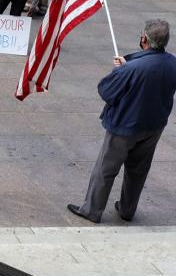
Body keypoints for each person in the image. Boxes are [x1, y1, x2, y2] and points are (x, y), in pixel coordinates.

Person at [67, 19, 176, 224]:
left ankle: (92, 209)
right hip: (154, 126)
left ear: (145, 38)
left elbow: (106, 91)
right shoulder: (172, 63)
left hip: (125, 126)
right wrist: (128, 66)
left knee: (106, 169)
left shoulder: (132, 69)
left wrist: (121, 70)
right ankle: (127, 210)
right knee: (138, 171)